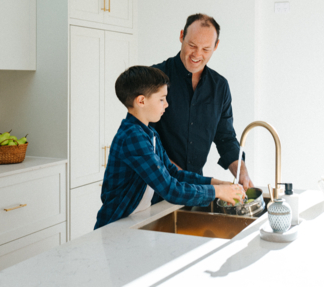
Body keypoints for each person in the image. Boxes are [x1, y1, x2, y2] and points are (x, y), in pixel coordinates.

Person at [94, 66, 244, 230]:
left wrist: (216, 182)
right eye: (161, 99)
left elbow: (173, 173)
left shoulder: (149, 134)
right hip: (114, 227)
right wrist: (217, 192)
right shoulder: (133, 138)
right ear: (141, 101)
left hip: (134, 220)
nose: (166, 104)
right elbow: (170, 189)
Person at [152, 13, 254, 190]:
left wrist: (242, 174)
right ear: (181, 36)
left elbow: (226, 139)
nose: (197, 54)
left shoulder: (219, 86)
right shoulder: (154, 78)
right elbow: (146, 141)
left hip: (194, 190)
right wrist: (182, 178)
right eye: (192, 45)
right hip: (155, 188)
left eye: (206, 49)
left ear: (216, 46)